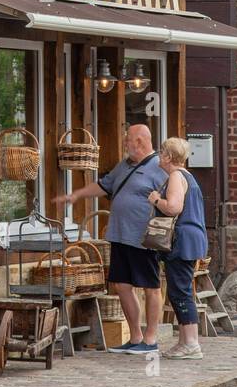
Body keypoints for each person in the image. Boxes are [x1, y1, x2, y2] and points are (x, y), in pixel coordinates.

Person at [55, 123, 164, 354]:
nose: (125, 143)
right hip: (119, 236)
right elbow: (104, 185)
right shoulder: (124, 165)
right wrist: (77, 195)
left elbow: (172, 200)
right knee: (121, 285)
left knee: (150, 287)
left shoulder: (159, 167)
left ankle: (151, 339)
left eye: (128, 139)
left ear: (141, 141)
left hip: (143, 239)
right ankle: (135, 337)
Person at [147, 137, 208, 360]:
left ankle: (191, 343)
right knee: (180, 290)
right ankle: (184, 342)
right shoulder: (188, 176)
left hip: (181, 241)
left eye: (162, 151)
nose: (159, 154)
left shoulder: (175, 176)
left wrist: (155, 200)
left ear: (168, 157)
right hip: (191, 239)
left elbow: (173, 208)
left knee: (180, 292)